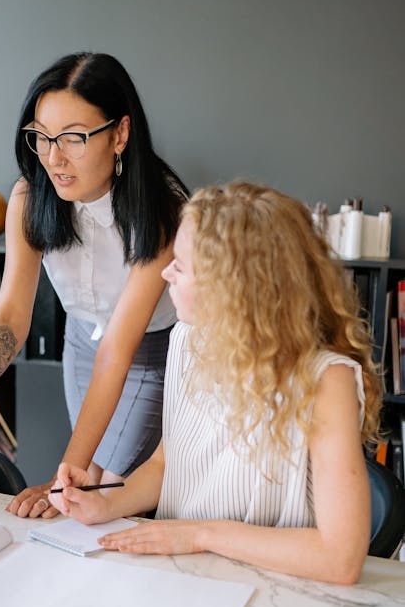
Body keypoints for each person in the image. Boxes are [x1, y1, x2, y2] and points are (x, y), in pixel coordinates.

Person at [48, 182, 382, 585]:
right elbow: (166, 464)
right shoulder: (187, 339)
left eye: (182, 266)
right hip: (186, 577)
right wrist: (106, 502)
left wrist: (200, 534)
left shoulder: (327, 380)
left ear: (234, 288)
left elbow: (340, 560)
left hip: (281, 589)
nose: (166, 272)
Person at [0, 51, 187, 518]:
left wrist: (65, 474)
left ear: (120, 134)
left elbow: (120, 349)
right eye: (42, 138)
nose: (53, 158)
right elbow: (11, 313)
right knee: (88, 492)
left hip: (151, 352)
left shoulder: (162, 209)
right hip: (81, 347)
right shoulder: (30, 197)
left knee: (106, 490)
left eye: (73, 138)